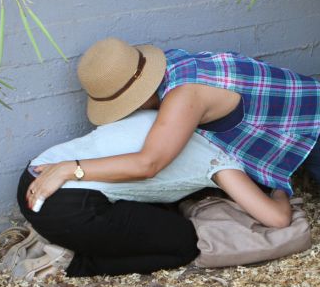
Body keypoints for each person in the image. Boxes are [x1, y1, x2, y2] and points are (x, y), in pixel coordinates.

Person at [26, 38, 320, 236]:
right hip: (259, 138)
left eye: (125, 106)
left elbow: (149, 163)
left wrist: (70, 169)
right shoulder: (165, 71)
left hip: (314, 120)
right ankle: (288, 172)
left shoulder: (185, 94)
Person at [15, 109, 296, 278]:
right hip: (70, 209)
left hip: (37, 177)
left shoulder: (171, 116)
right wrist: (279, 187)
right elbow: (278, 219)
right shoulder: (221, 160)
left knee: (163, 212)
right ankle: (73, 262)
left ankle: (63, 237)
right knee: (185, 244)